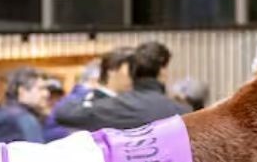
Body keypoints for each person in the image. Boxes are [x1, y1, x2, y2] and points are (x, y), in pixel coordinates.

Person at [53, 41, 190, 130]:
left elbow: (64, 113)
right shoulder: (181, 111)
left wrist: (85, 88)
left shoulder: (115, 107)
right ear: (163, 71)